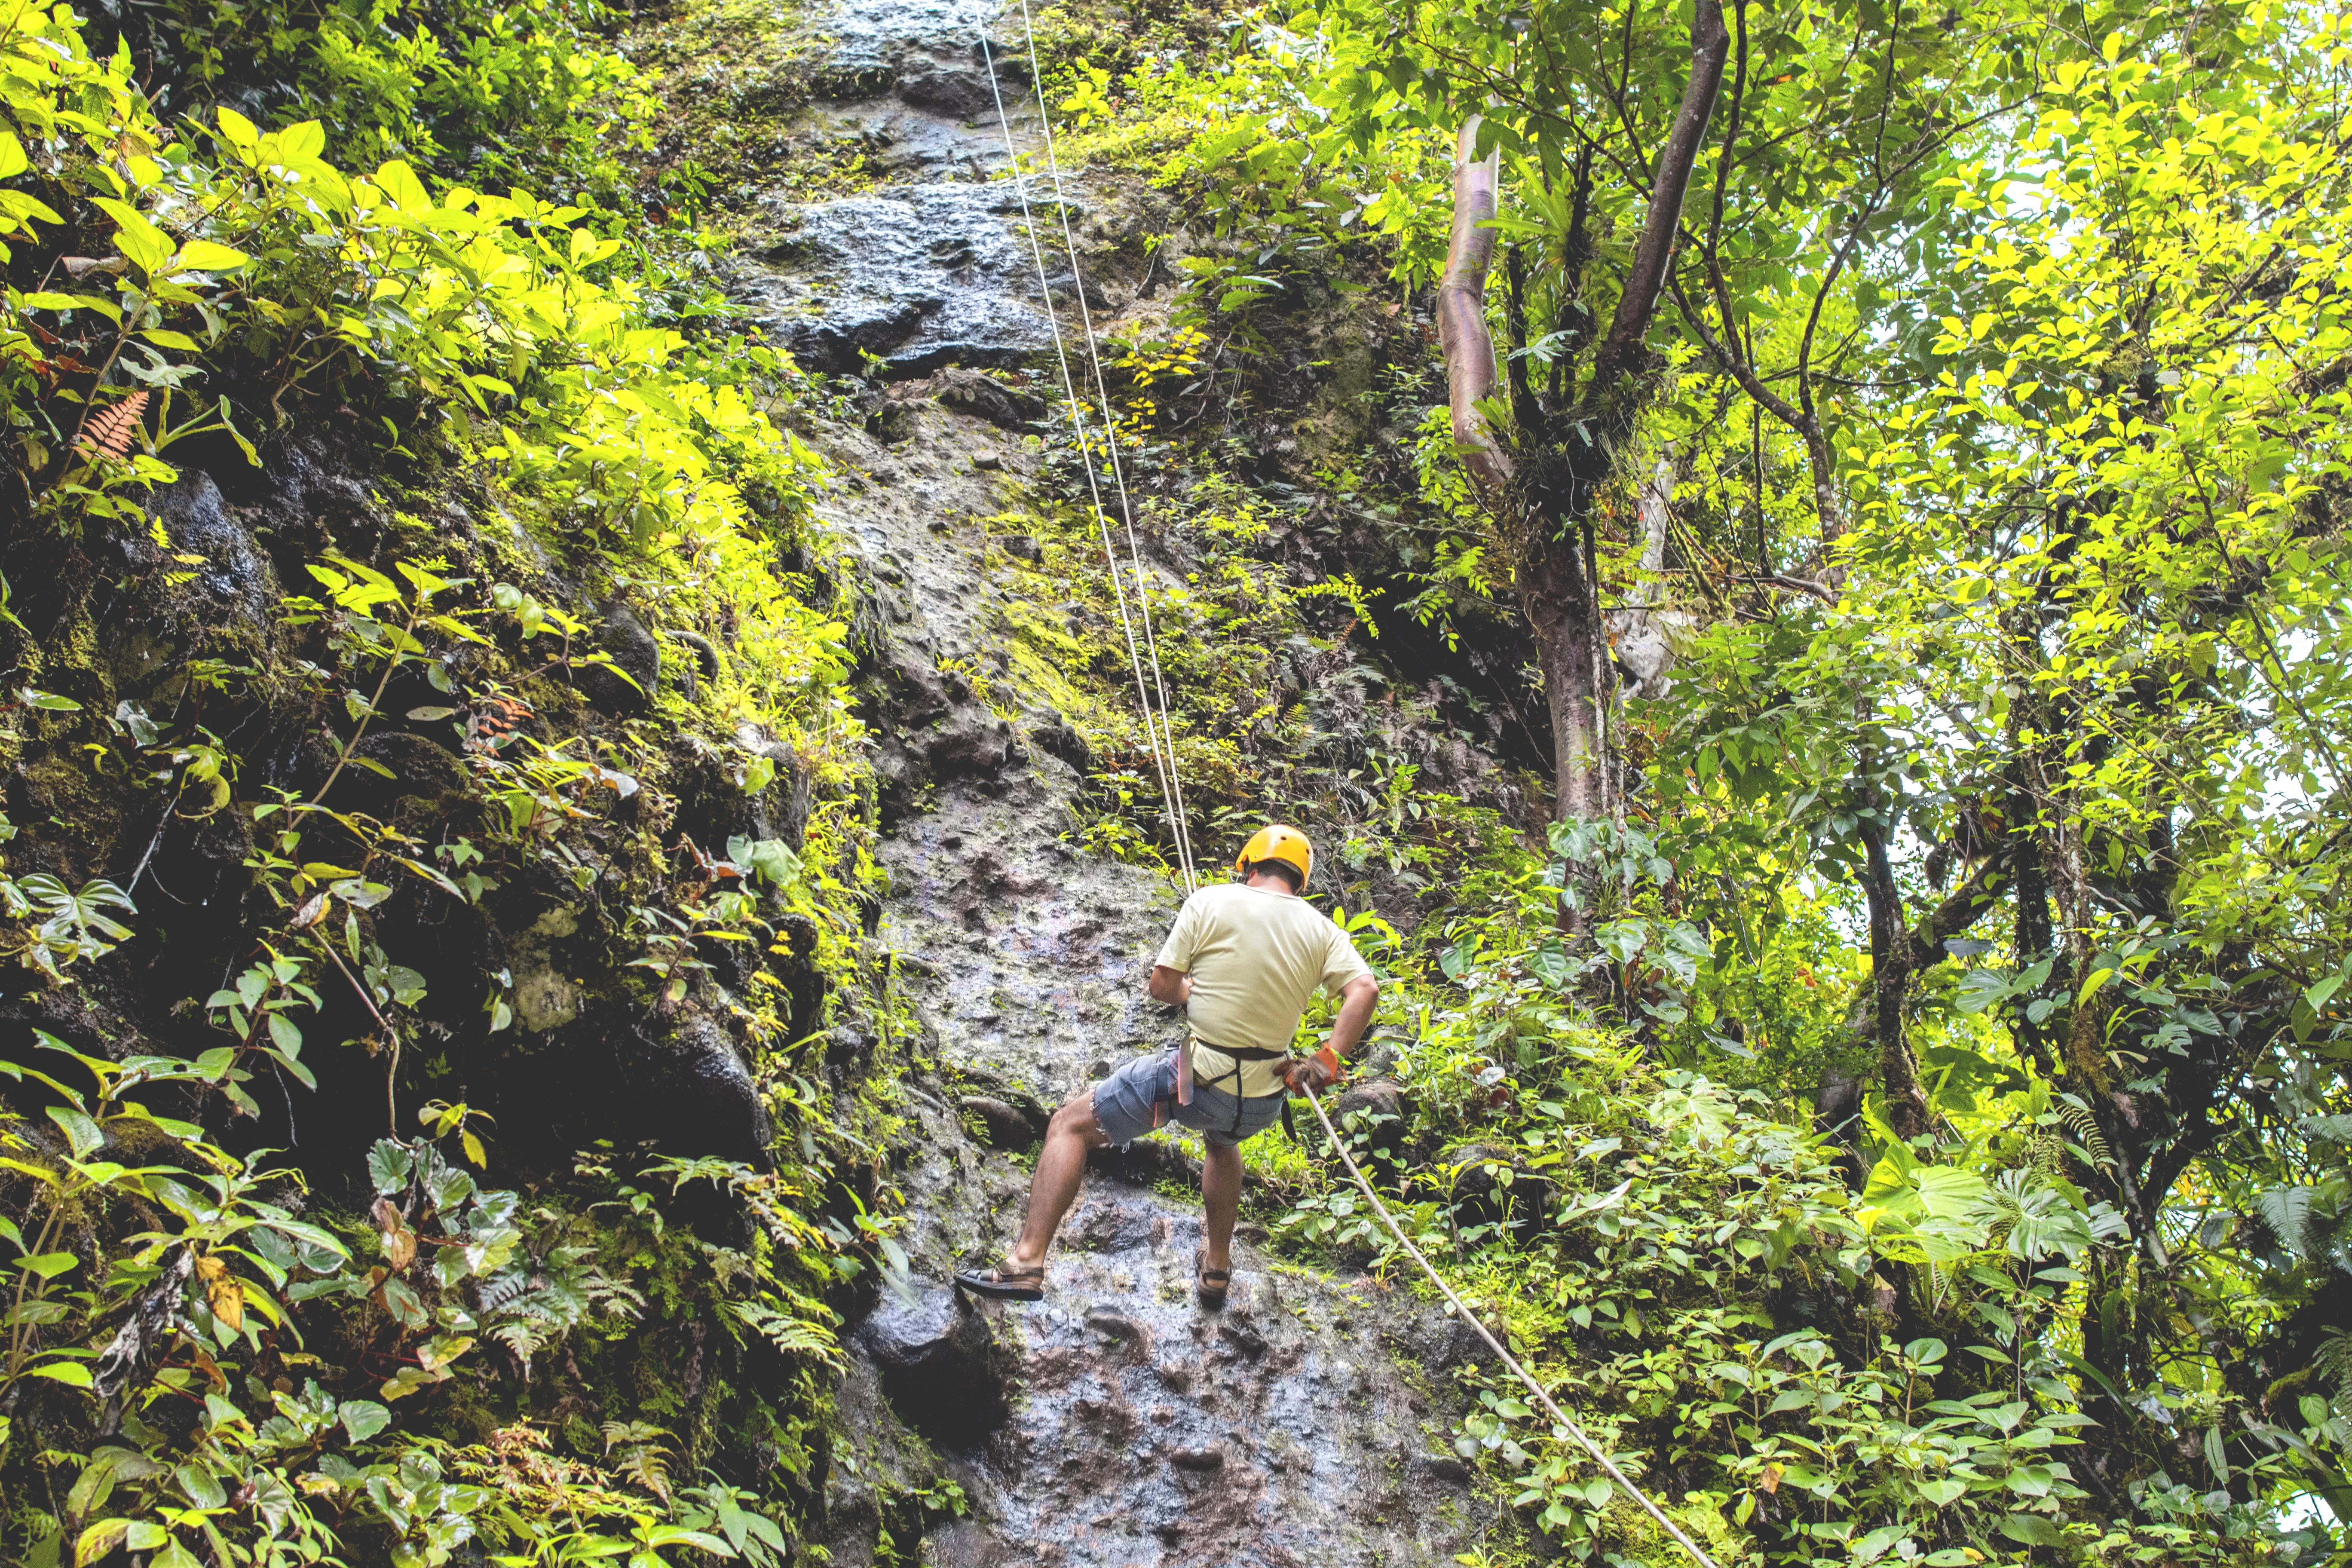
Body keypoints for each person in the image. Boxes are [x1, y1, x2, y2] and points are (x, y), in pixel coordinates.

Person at [956, 825, 1379, 1307]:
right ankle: (1217, 1268)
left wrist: (1189, 993)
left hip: (1194, 1087)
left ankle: (1026, 1263)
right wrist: (1325, 1062)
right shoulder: (1321, 928)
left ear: (1249, 864)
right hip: (1260, 1103)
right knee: (1223, 1143)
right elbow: (1364, 990)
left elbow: (1162, 985)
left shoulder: (1211, 901)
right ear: (1299, 880)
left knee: (1068, 1127)